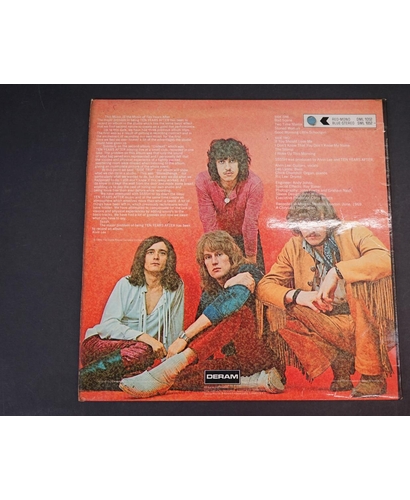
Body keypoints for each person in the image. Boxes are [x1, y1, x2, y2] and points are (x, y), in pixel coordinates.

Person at [256, 191, 396, 397]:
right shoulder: (294, 246)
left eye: (317, 221)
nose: (311, 230)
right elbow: (265, 286)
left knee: (358, 284)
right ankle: (340, 360)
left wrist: (337, 272)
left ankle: (372, 375)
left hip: (368, 321)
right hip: (326, 320)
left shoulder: (353, 232)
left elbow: (386, 260)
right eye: (304, 223)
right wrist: (299, 296)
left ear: (329, 220)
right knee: (278, 311)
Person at [119, 230, 284, 398]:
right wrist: (190, 364)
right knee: (186, 375)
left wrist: (183, 338)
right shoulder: (209, 293)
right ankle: (252, 381)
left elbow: (232, 301)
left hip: (260, 357)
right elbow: (202, 337)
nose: (214, 261)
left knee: (237, 312)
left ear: (231, 256)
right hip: (239, 365)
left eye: (219, 254)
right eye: (208, 257)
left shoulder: (249, 271)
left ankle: (171, 367)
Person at [79, 236, 184, 390]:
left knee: (152, 369)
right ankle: (81, 378)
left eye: (162, 253)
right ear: (142, 257)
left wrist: (169, 362)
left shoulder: (175, 287)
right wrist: (145, 338)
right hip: (99, 345)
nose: (156, 257)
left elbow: (174, 327)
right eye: (150, 252)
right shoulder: (126, 283)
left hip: (137, 355)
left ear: (169, 259)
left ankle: (106, 383)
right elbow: (108, 325)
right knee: (144, 350)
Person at [195, 138, 265, 272]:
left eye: (232, 161)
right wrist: (218, 254)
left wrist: (251, 260)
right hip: (218, 237)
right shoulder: (203, 181)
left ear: (240, 163)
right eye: (222, 162)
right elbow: (209, 222)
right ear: (214, 164)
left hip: (247, 237)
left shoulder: (254, 183)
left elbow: (250, 224)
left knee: (255, 278)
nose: (227, 168)